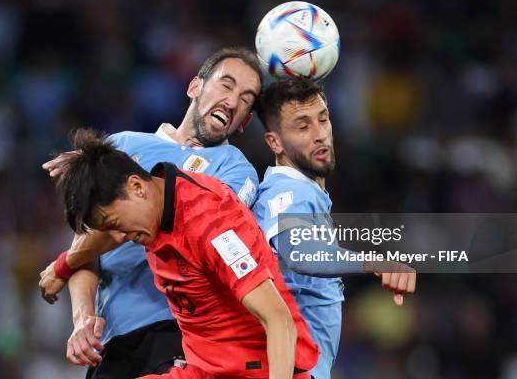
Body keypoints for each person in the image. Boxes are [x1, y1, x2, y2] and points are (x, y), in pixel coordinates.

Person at [38, 48, 263, 377]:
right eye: (226, 86)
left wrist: (62, 265)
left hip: (179, 335)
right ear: (195, 87)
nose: (231, 102)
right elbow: (85, 245)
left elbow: (159, 220)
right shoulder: (124, 145)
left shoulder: (236, 172)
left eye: (246, 99)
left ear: (245, 121)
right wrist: (82, 318)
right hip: (111, 341)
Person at [51, 128, 319, 378]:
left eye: (115, 225)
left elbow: (278, 318)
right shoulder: (156, 209)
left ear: (137, 187)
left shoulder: (211, 222)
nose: (119, 239)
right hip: (202, 369)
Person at [252, 78, 417, 379]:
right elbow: (299, 252)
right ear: (274, 142)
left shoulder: (303, 193)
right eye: (302, 127)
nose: (319, 135)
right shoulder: (289, 192)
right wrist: (372, 262)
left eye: (323, 120)